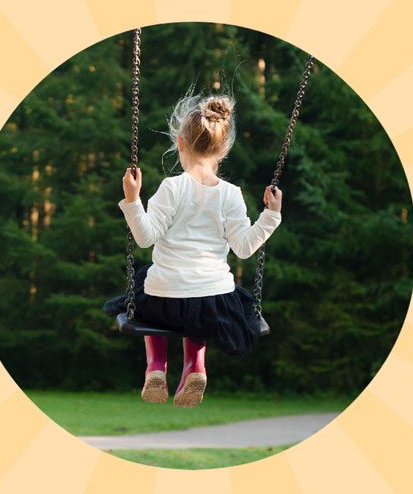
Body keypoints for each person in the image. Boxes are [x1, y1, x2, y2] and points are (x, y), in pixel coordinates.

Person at [102, 93, 282, 407]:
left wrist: (132, 200)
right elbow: (243, 248)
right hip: (213, 303)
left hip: (164, 301)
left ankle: (156, 367)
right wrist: (271, 216)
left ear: (180, 144)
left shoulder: (171, 187)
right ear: (224, 149)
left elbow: (144, 238)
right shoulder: (231, 194)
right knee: (198, 304)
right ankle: (195, 366)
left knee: (148, 283)